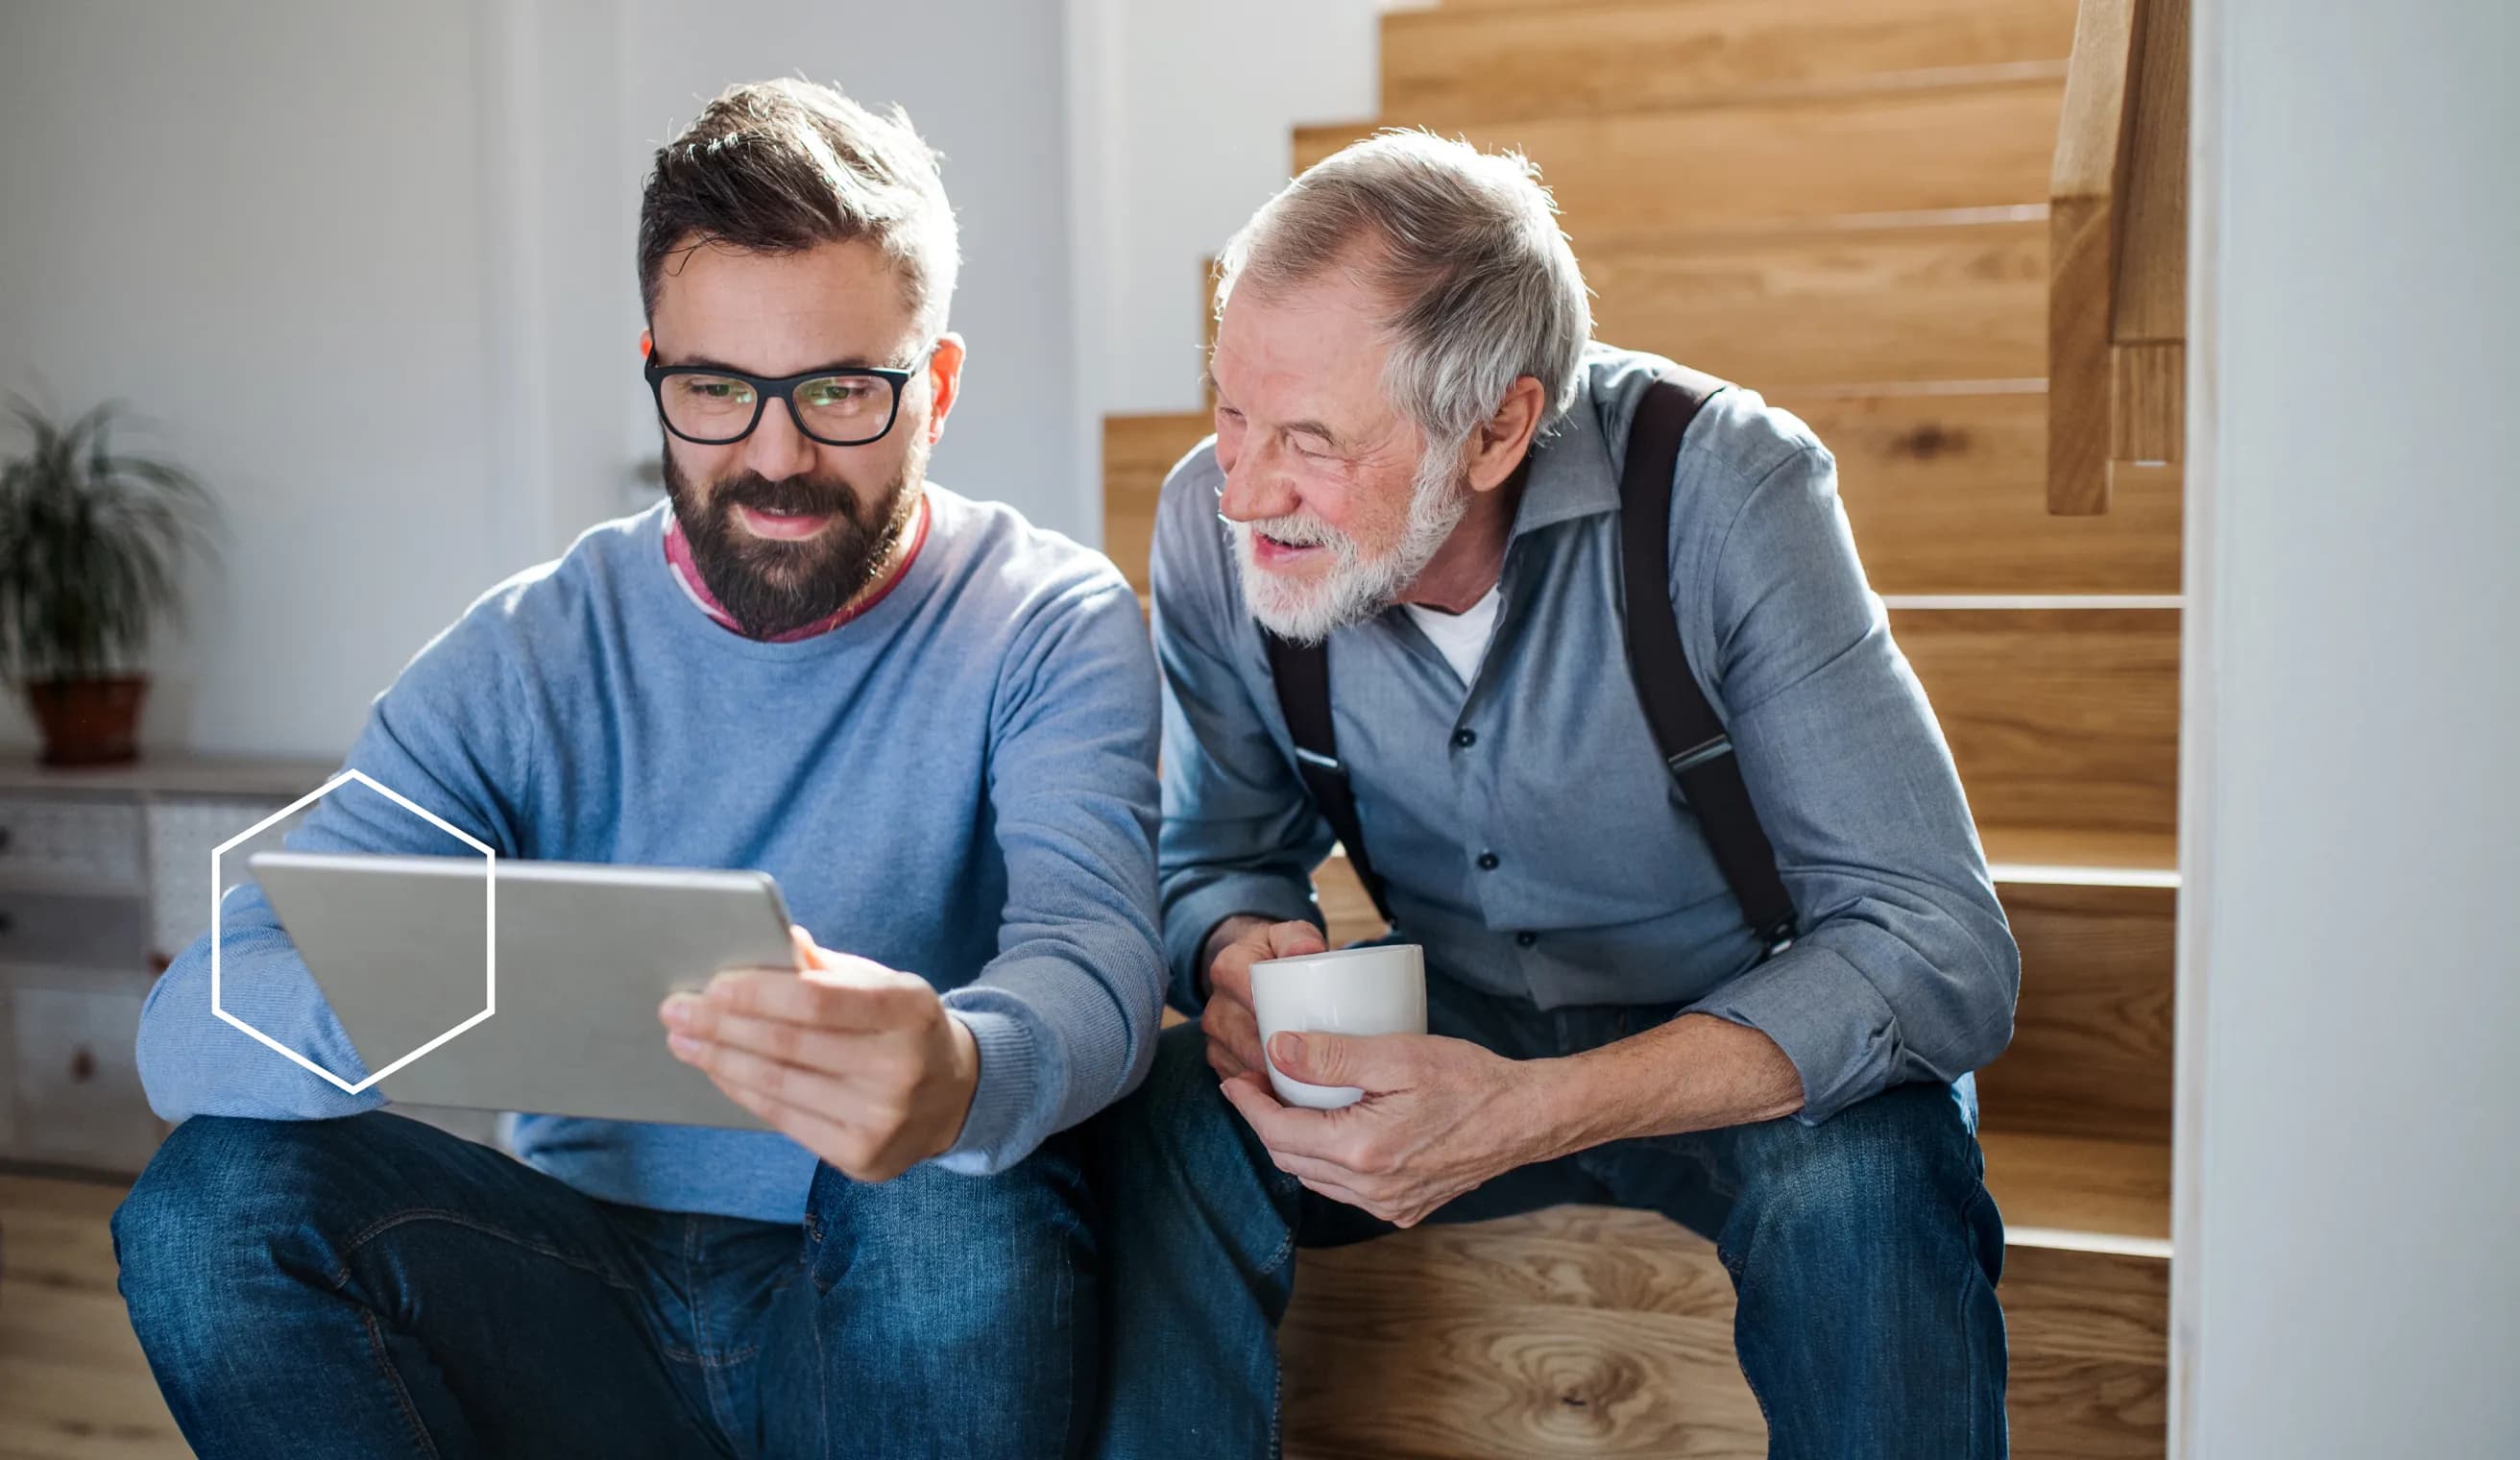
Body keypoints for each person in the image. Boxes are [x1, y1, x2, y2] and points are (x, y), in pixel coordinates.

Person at [114, 78, 1161, 1460]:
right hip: (577, 1297)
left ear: (938, 389)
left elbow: (1094, 955)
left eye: (842, 392)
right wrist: (461, 974)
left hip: (889, 1294)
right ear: (657, 374)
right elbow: (192, 1024)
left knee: (948, 1181)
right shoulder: (527, 652)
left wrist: (967, 1066)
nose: (775, 459)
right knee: (209, 1207)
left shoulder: (1051, 619)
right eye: (718, 391)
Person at [1093, 132, 2021, 1459]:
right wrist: (1239, 954)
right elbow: (1217, 853)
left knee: (1866, 1181)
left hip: (1738, 1029)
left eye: (1309, 439)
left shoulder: (1726, 488)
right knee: (1162, 1117)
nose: (1245, 489)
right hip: (1458, 1010)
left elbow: (1939, 952)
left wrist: (1532, 1109)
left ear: (1500, 427)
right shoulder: (1211, 521)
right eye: (1230, 411)